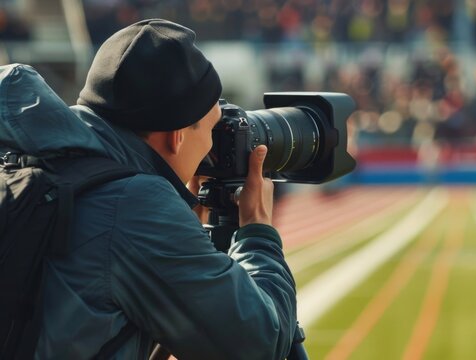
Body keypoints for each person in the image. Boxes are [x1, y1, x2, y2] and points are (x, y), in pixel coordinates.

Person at [8, 18, 297, 359]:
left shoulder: (38, 154)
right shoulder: (133, 204)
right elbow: (259, 344)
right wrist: (258, 232)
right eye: (212, 129)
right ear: (176, 137)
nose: (213, 146)